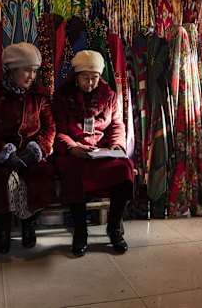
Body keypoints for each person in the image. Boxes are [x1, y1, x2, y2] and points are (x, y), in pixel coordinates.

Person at [0, 42, 56, 254]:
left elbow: (49, 127)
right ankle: (3, 227)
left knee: (40, 175)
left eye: (35, 71)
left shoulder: (40, 95)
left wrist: (37, 149)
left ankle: (29, 225)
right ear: (11, 70)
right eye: (27, 70)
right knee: (3, 180)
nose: (31, 76)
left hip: (31, 153)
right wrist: (3, 153)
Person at [52, 50, 134, 257]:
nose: (90, 83)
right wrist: (72, 147)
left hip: (101, 150)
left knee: (125, 169)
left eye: (94, 78)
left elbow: (116, 125)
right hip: (74, 151)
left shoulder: (108, 96)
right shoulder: (62, 95)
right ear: (76, 76)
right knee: (74, 171)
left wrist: (116, 146)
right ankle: (81, 231)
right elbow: (58, 131)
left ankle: (113, 227)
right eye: (85, 78)